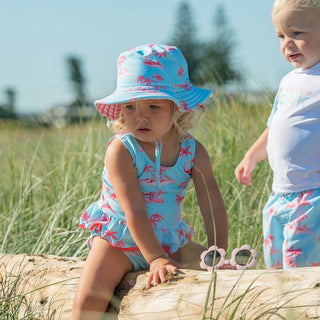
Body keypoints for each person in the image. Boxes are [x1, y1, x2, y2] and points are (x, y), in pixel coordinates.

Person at [72, 44, 229, 319]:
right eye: (130, 106)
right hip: (120, 240)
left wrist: (219, 252)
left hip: (169, 238)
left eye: (153, 105)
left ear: (177, 107)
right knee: (87, 304)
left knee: (224, 279)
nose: (140, 116)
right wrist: (155, 258)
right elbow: (134, 210)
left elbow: (213, 205)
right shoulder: (122, 150)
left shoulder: (193, 152)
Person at [235, 0, 320, 270]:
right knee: (276, 273)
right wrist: (252, 155)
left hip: (312, 195)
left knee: (302, 275)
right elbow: (275, 126)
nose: (287, 43)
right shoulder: (289, 81)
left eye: (297, 33)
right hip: (279, 196)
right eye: (281, 36)